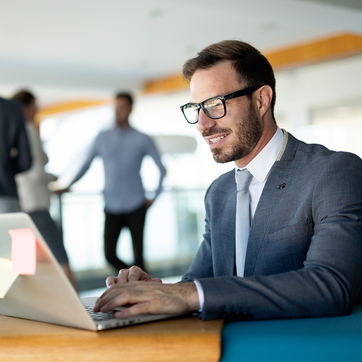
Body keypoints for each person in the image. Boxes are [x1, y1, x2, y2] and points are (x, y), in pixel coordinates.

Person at [93, 40, 362, 322]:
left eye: (214, 104)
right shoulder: (219, 193)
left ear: (261, 100)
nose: (202, 124)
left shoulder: (334, 172)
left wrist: (188, 294)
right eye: (196, 107)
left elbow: (331, 286)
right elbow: (198, 283)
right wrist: (155, 292)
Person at [58, 92, 166, 272]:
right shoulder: (102, 137)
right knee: (109, 254)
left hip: (136, 204)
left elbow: (161, 169)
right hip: (111, 205)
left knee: (139, 257)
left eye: (122, 108)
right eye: (115, 108)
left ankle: (143, 292)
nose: (118, 112)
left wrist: (154, 196)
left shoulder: (142, 138)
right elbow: (86, 164)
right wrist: (68, 185)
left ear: (130, 109)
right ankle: (134, 278)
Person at [11, 90, 77, 289]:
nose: (37, 110)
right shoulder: (28, 130)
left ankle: (28, 312)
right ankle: (82, 312)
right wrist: (52, 179)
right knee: (61, 261)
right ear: (26, 107)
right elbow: (36, 172)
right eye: (34, 106)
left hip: (20, 207)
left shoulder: (11, 131)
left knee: (24, 267)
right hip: (37, 207)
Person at [0, 96, 32, 213]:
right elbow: (25, 161)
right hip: (4, 193)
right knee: (6, 231)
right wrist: (5, 168)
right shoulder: (12, 108)